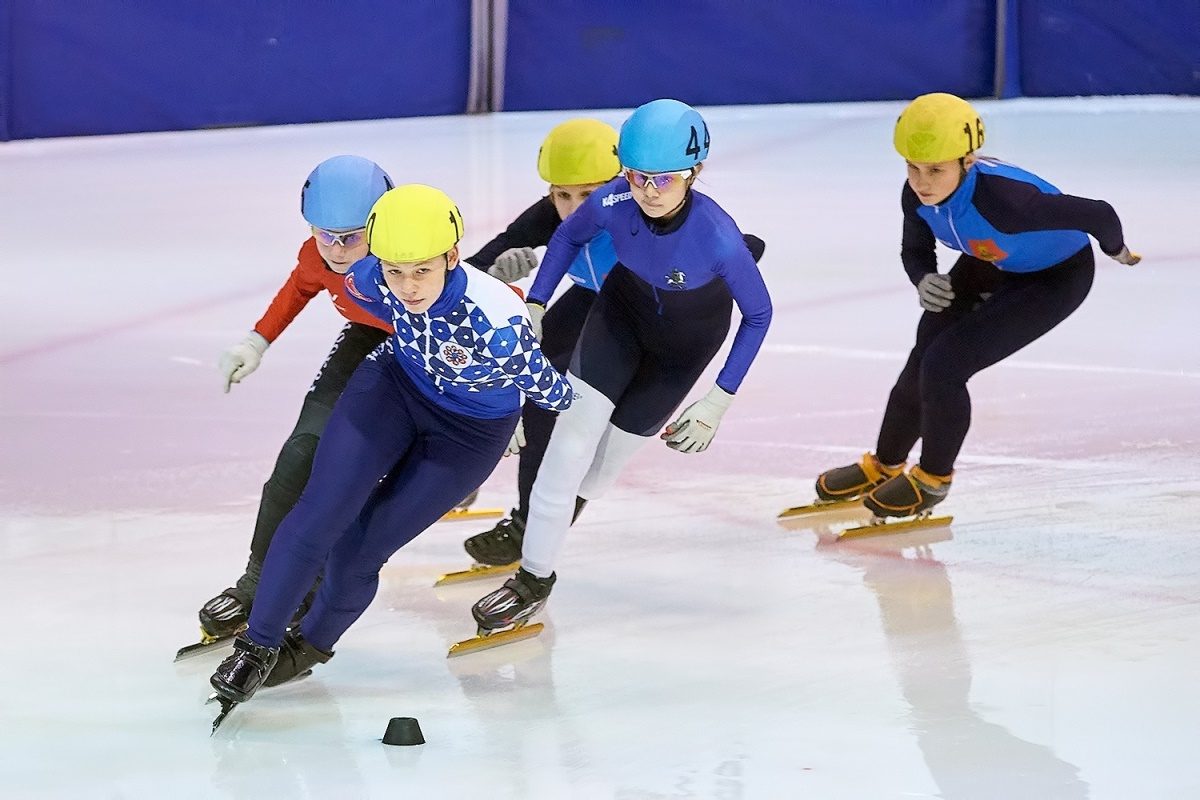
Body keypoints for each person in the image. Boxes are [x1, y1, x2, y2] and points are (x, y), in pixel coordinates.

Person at [208, 184, 573, 707]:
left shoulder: (498, 323)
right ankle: (257, 644)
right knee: (318, 511)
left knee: (358, 552)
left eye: (422, 270)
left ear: (452, 257)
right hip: (394, 388)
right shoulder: (365, 275)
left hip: (468, 433)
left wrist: (512, 403)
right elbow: (328, 277)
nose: (406, 286)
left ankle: (310, 647)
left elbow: (555, 395)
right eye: (395, 270)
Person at [469, 98, 773, 635]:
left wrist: (718, 401)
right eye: (637, 177)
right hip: (619, 316)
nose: (649, 191)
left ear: (694, 173)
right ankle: (533, 578)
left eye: (664, 179)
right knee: (564, 448)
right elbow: (566, 235)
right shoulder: (612, 199)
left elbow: (759, 315)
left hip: (682, 352)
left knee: (599, 472)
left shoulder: (718, 237)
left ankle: (550, 522)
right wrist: (537, 303)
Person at [812, 92, 1140, 521]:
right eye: (912, 167)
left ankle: (932, 480)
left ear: (967, 162)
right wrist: (923, 278)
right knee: (922, 356)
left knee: (946, 365)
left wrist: (1117, 250)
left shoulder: (1006, 204)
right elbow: (915, 247)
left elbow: (1099, 213)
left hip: (1055, 277)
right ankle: (884, 465)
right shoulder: (916, 196)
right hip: (990, 261)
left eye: (935, 170)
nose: (921, 181)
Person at [196, 156, 393, 644]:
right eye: (324, 233)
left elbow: (474, 312)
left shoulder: (409, 257)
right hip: (365, 340)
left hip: (421, 356)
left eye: (351, 236)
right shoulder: (316, 254)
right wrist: (256, 341)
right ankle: (258, 581)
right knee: (299, 456)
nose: (337, 249)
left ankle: (320, 574)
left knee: (357, 473)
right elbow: (299, 287)